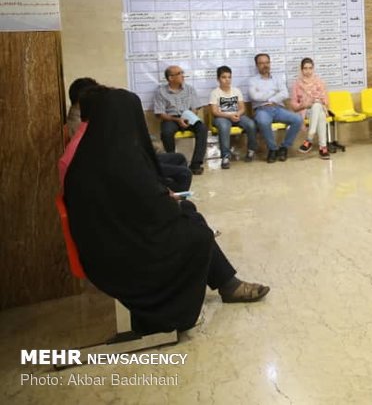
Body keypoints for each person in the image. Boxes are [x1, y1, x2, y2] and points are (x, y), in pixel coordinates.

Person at [62, 86, 269, 335]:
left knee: (189, 215)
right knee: (197, 233)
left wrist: (167, 200)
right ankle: (219, 289)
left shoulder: (96, 154)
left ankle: (228, 284)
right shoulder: (113, 161)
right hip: (117, 252)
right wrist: (169, 201)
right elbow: (150, 206)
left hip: (115, 237)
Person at [69, 76, 193, 192]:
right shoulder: (82, 122)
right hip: (128, 165)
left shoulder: (88, 115)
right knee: (184, 174)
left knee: (179, 158)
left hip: (133, 158)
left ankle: (166, 187)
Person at [248, 53, 303, 164]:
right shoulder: (252, 81)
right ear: (257, 65)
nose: (265, 65)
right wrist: (274, 93)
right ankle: (272, 149)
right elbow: (254, 96)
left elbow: (285, 94)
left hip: (278, 108)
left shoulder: (277, 78)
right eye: (261, 63)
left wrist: (270, 99)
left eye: (267, 62)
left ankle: (284, 148)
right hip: (262, 109)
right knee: (263, 121)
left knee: (298, 119)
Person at [153, 66, 208, 175]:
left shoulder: (189, 89)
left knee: (202, 128)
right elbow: (160, 114)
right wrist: (178, 120)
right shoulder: (161, 92)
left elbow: (195, 108)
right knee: (166, 132)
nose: (183, 75)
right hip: (171, 118)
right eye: (179, 73)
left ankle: (196, 164)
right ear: (170, 78)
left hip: (187, 116)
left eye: (182, 72)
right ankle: (173, 163)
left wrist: (190, 117)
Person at [209, 65, 258, 168]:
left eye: (229, 77)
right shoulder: (215, 93)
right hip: (221, 117)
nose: (227, 80)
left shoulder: (236, 91)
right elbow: (214, 111)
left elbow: (242, 108)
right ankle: (225, 157)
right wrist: (229, 116)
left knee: (251, 124)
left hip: (236, 115)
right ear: (218, 79)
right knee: (224, 127)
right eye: (224, 77)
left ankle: (251, 150)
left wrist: (237, 114)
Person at [290, 57, 330, 159]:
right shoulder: (296, 84)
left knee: (317, 107)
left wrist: (317, 101)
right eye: (305, 68)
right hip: (304, 111)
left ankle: (309, 138)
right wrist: (304, 105)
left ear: (313, 68)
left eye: (310, 68)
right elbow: (293, 105)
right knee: (320, 114)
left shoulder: (319, 82)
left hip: (318, 108)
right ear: (301, 69)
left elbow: (326, 101)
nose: (308, 71)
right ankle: (323, 147)